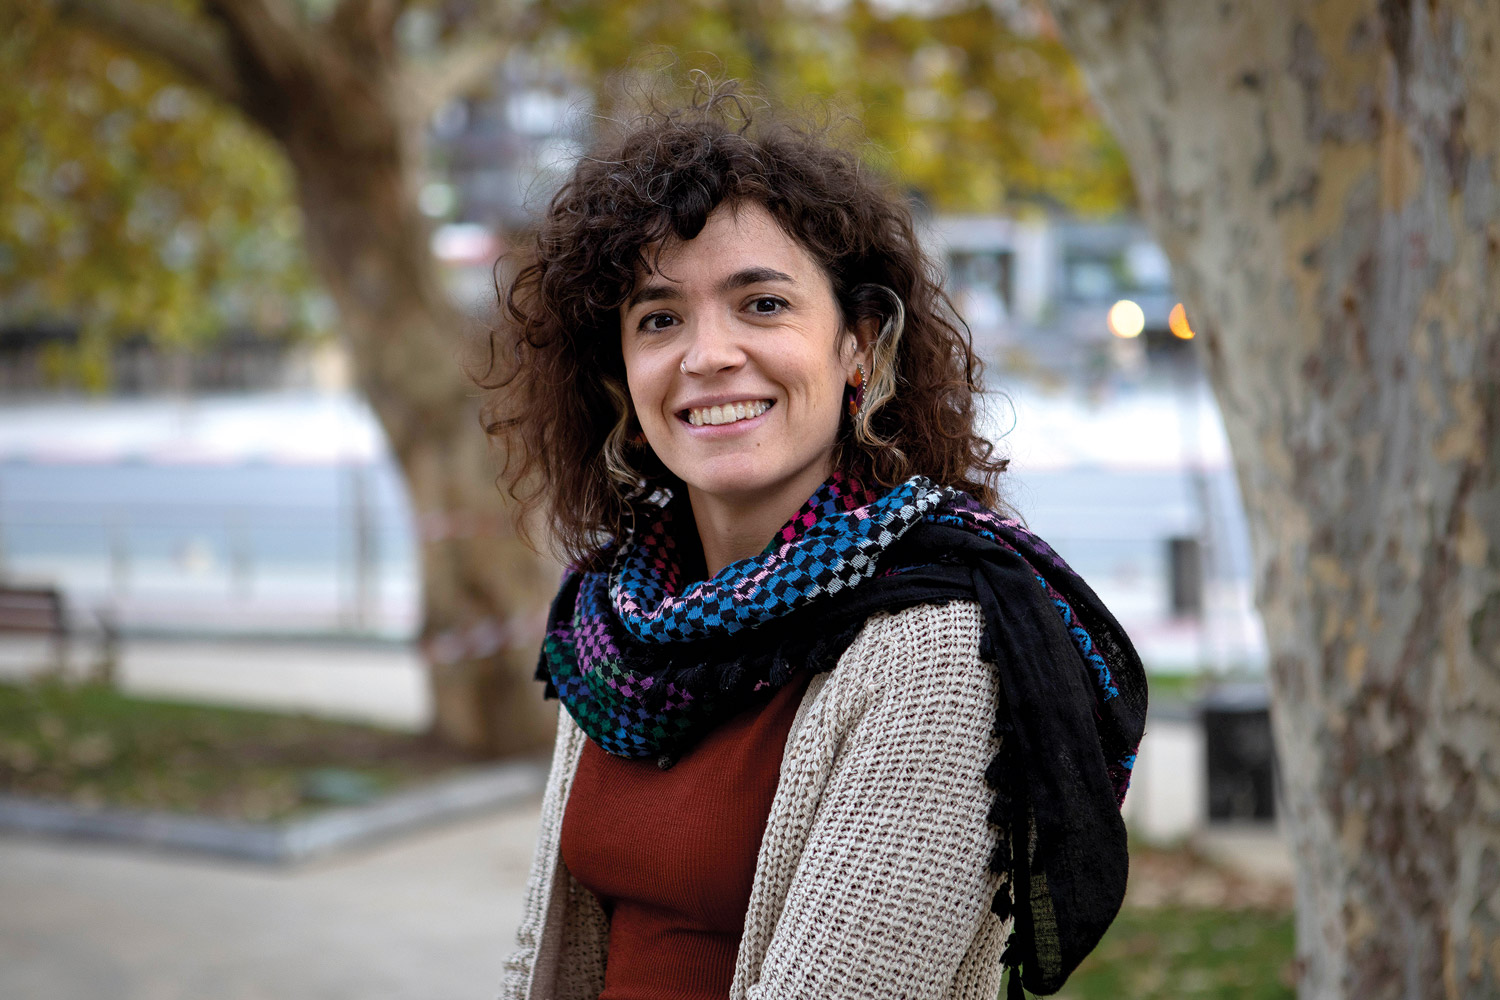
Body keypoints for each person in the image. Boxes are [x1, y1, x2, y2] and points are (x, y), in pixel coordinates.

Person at [475, 81, 1146, 1000]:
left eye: (762, 305)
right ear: (621, 379)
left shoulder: (938, 649)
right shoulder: (617, 626)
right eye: (660, 318)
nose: (708, 354)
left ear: (858, 346)